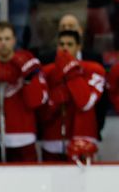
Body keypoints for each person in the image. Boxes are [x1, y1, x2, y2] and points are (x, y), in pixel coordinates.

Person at [0, 21, 47, 162]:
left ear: (14, 40)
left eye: (7, 39)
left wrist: (28, 77)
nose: (3, 43)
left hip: (24, 136)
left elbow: (37, 101)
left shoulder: (28, 63)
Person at [37, 29, 105, 163]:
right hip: (52, 141)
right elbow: (40, 112)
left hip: (83, 141)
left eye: (69, 44)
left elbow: (85, 103)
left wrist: (71, 72)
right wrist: (53, 103)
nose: (65, 48)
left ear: (79, 47)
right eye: (61, 44)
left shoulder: (93, 69)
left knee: (84, 184)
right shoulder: (47, 71)